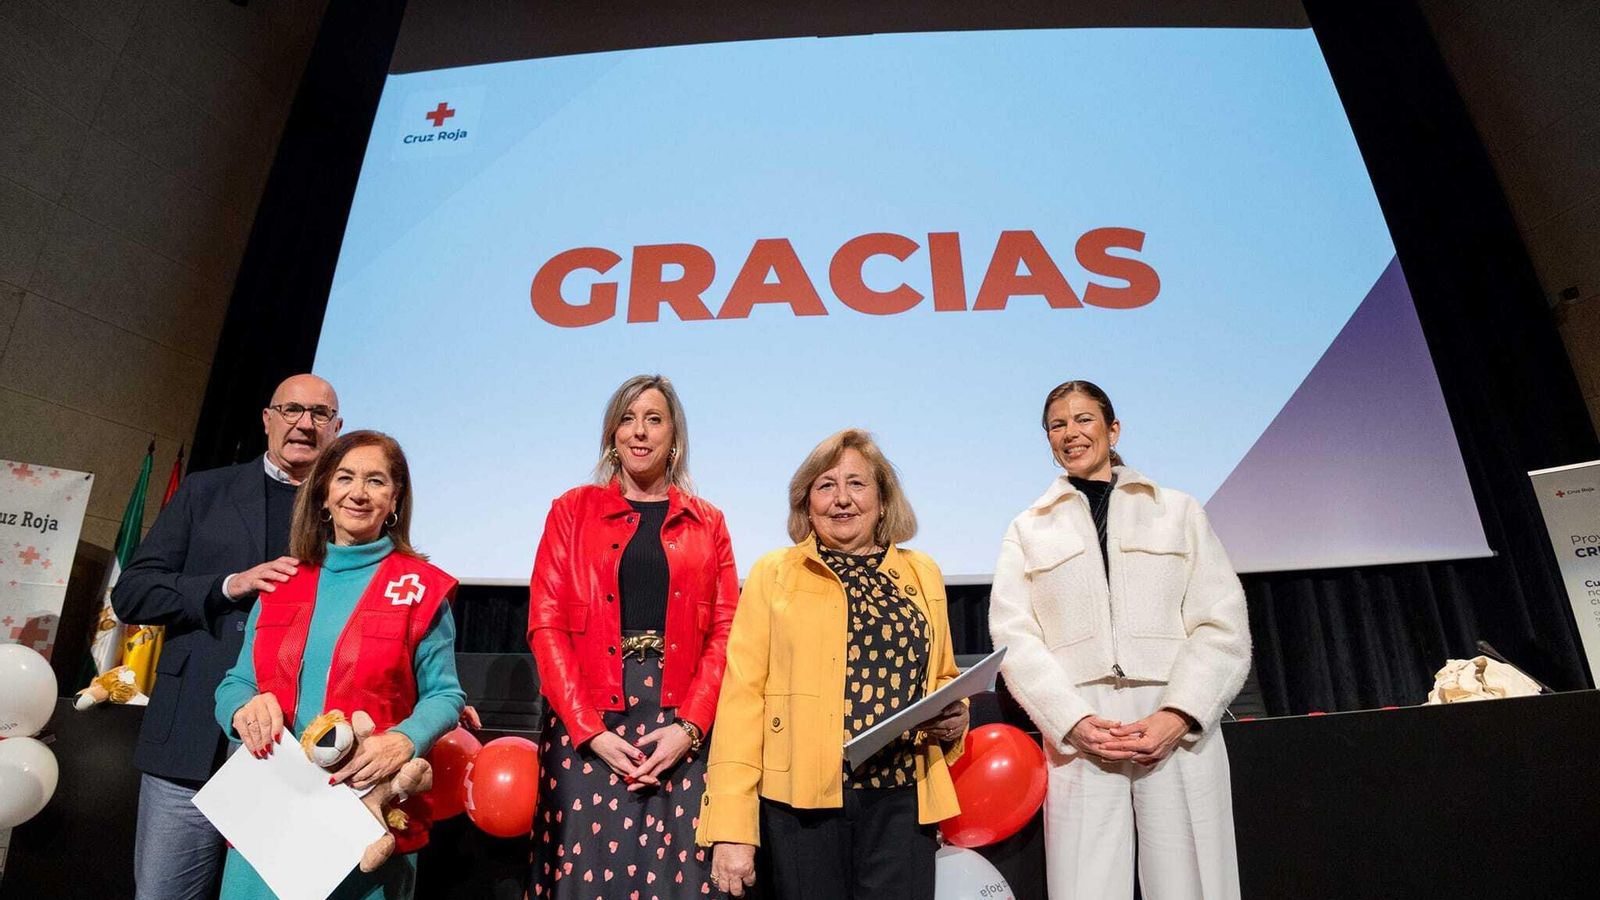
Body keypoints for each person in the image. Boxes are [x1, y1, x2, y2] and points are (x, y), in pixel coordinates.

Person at [988, 380, 1251, 900]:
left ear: (1113, 429)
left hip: (1171, 709)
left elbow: (1222, 624)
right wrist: (1071, 721)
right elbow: (1014, 636)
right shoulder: (1028, 527)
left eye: (1084, 419)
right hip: (1083, 723)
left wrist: (1181, 714)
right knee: (1084, 883)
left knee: (1194, 880)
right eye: (1057, 425)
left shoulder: (1176, 510)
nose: (1071, 433)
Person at [700, 429, 969, 900]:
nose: (841, 499)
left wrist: (955, 716)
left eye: (856, 484)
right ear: (806, 504)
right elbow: (742, 703)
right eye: (825, 486)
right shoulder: (774, 574)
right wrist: (731, 825)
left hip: (903, 800)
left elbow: (942, 676)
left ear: (883, 500)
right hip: (801, 809)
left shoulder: (921, 571)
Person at [112, 374, 342, 900]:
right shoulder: (205, 491)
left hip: (293, 757)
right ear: (267, 418)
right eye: (291, 410)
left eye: (320, 415)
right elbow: (134, 594)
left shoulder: (348, 511)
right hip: (191, 746)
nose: (304, 424)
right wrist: (226, 585)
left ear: (337, 428)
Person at [213, 430, 466, 900]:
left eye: (375, 481)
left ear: (394, 501)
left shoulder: (419, 588)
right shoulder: (281, 581)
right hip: (271, 810)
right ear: (324, 493)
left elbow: (446, 694)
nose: (358, 492)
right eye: (345, 477)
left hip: (365, 815)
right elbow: (236, 681)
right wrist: (240, 709)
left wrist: (404, 740)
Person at [526, 374, 739, 899]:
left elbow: (727, 632)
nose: (639, 432)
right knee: (583, 878)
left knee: (681, 879)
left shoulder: (708, 521)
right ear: (611, 434)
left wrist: (690, 727)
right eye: (627, 418)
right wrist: (589, 729)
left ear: (675, 437)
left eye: (654, 419)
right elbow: (545, 623)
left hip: (680, 722)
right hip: (587, 725)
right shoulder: (570, 511)